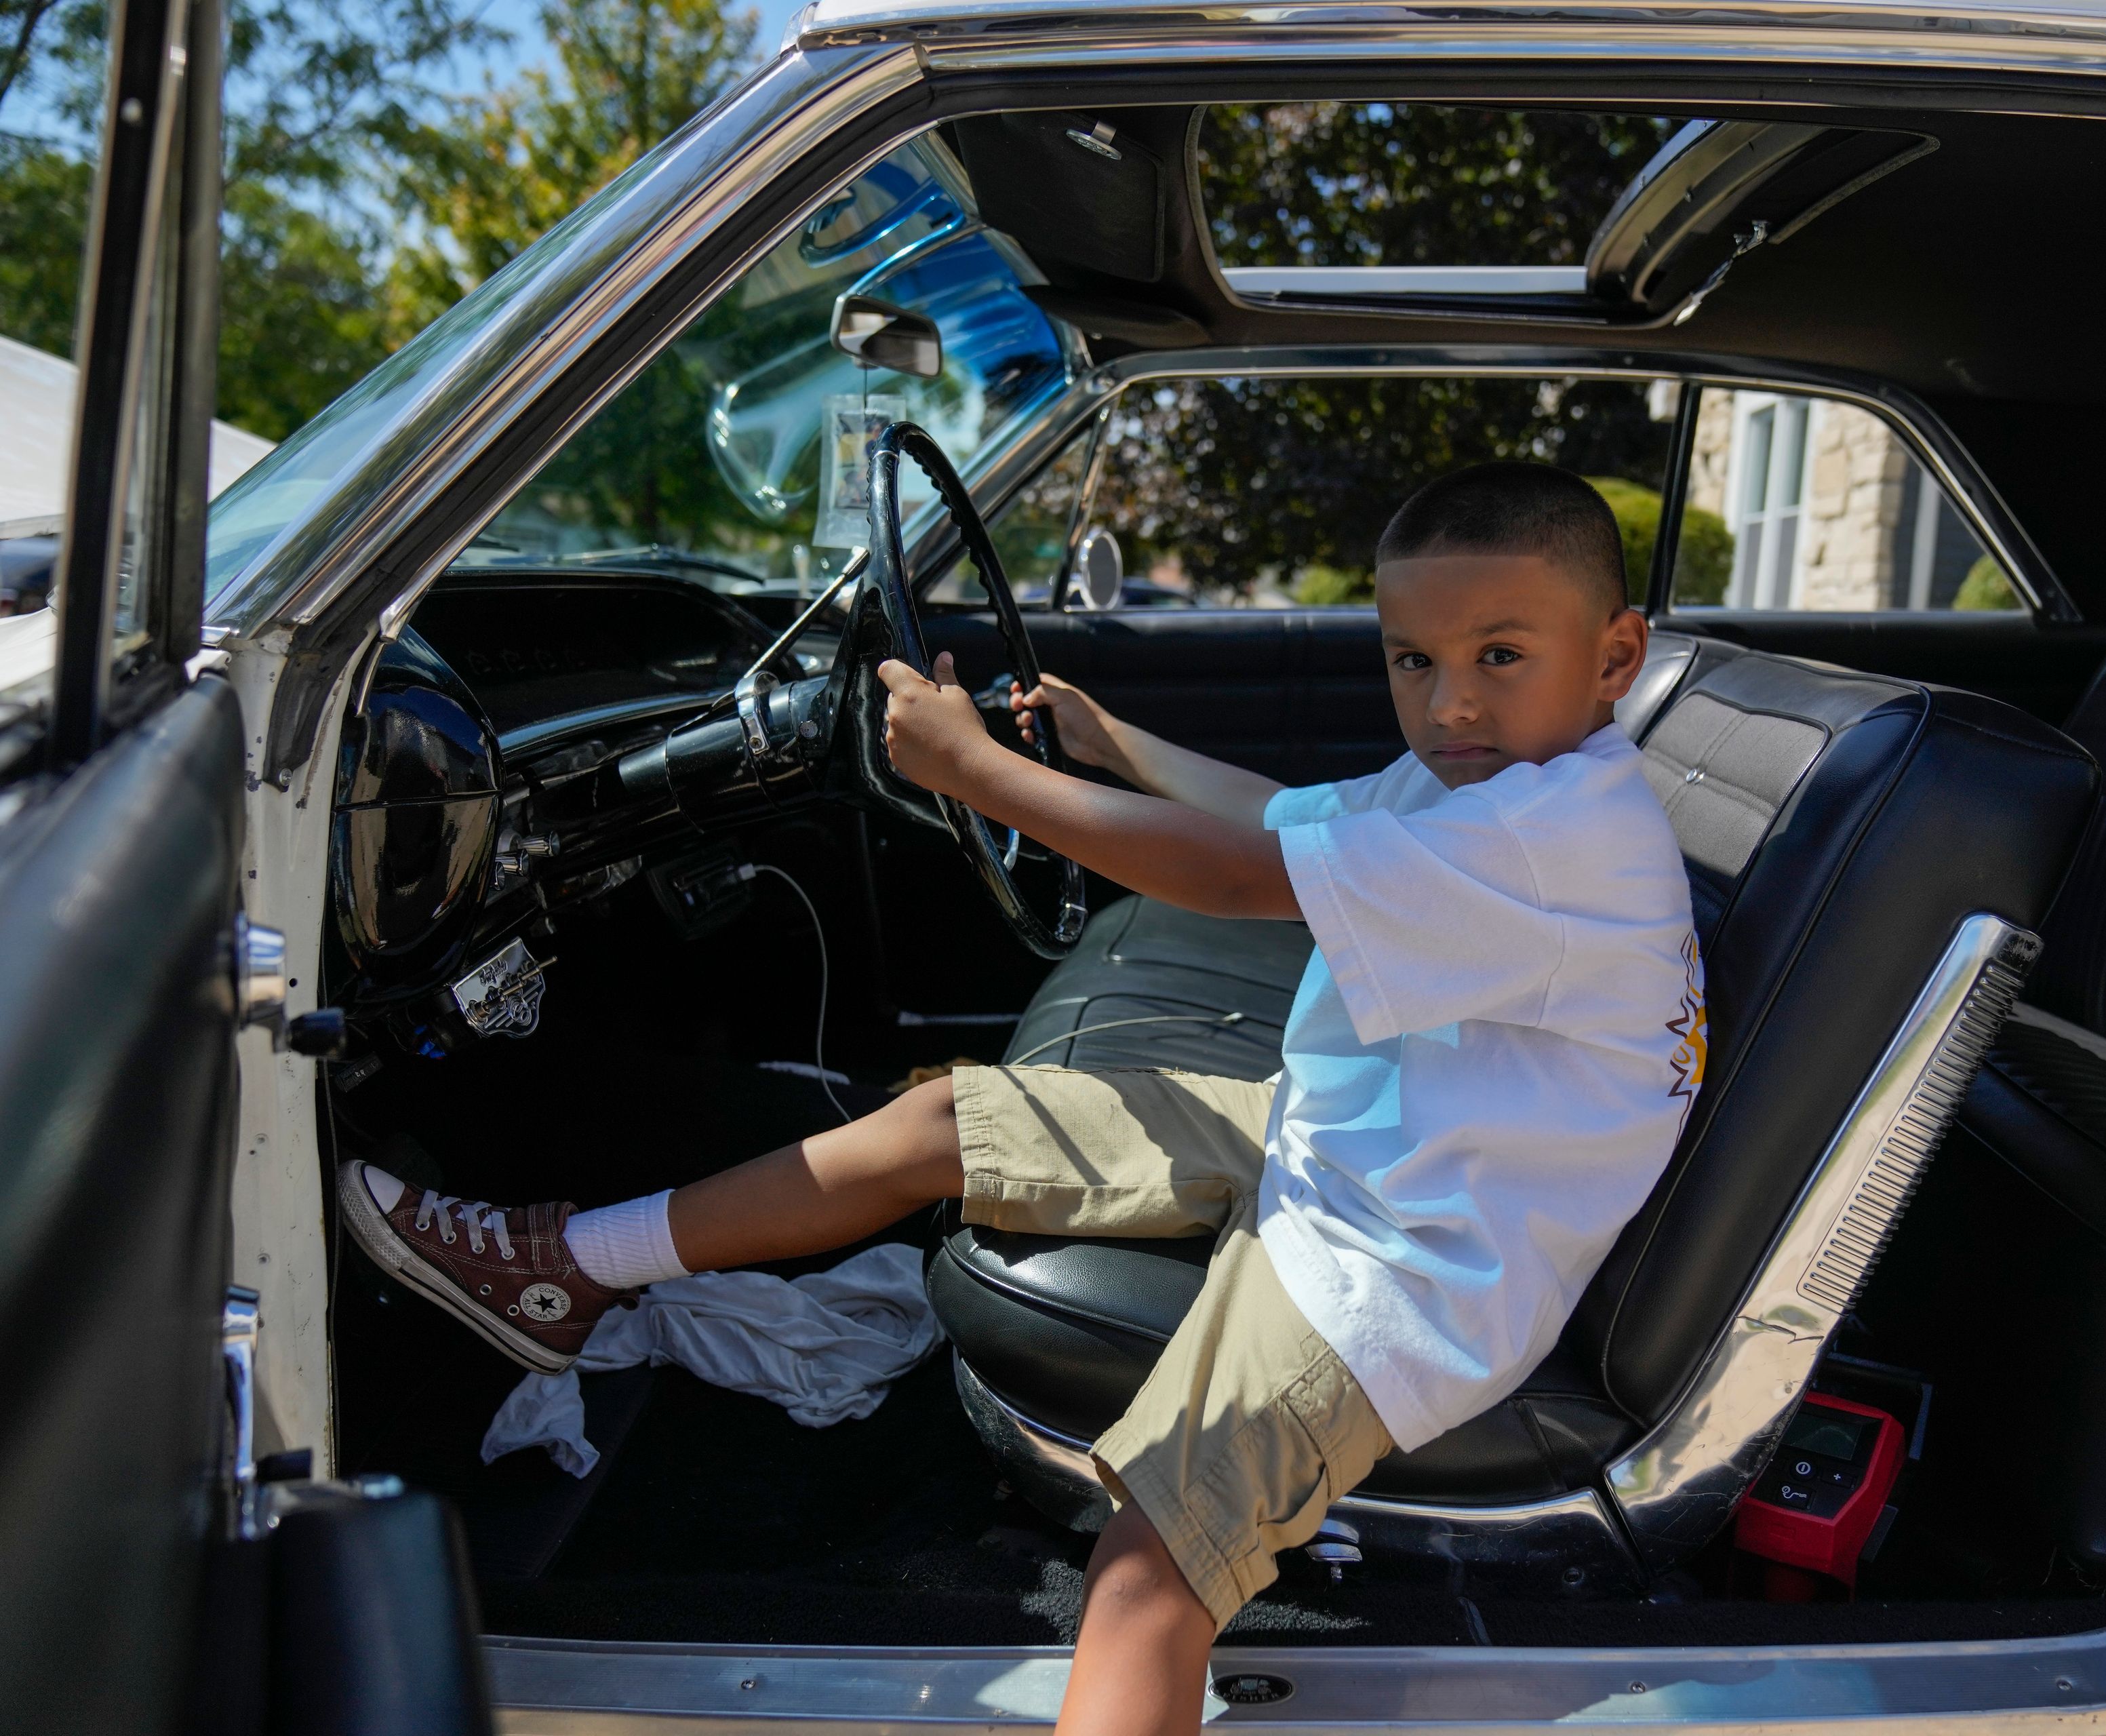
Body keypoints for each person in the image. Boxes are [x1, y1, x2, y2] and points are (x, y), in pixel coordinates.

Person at [337, 461, 1705, 1736]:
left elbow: (1239, 880)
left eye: (1499, 656)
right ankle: (569, 1269)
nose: (1449, 701)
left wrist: (987, 774)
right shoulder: (1497, 780)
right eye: (1415, 658)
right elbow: (1291, 820)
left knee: (1145, 1584)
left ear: (1617, 656)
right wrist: (1118, 747)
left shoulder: (1554, 840)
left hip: (1408, 1269)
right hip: (1350, 1139)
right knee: (944, 1122)